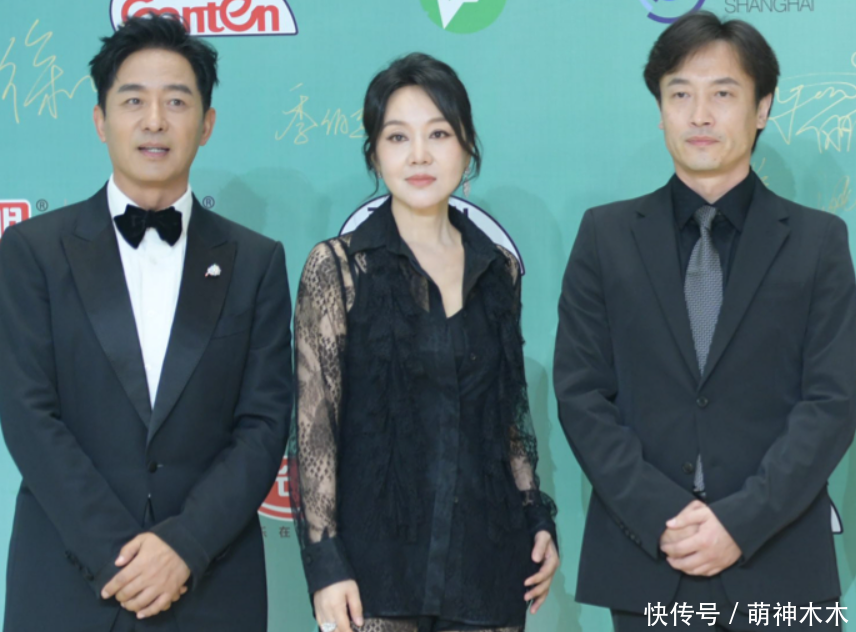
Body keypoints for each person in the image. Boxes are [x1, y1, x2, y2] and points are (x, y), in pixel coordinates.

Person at [554, 11, 856, 632]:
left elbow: (833, 400)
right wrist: (664, 517)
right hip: (650, 559)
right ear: (659, 109)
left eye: (722, 94)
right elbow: (581, 395)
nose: (699, 115)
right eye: (680, 95)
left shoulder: (818, 242)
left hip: (778, 559)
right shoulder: (605, 236)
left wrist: (740, 523)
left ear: (762, 107)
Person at [0, 14, 292, 632]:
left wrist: (184, 546)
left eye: (177, 101)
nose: (155, 120)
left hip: (210, 584)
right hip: (68, 585)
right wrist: (122, 558)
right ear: (100, 120)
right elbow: (28, 415)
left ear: (207, 124)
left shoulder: (256, 261)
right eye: (133, 100)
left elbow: (264, 424)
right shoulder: (32, 252)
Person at [289, 53, 558, 632]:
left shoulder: (499, 270)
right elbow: (315, 431)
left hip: (487, 569)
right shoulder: (339, 269)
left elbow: (505, 416)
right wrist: (325, 562)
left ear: (467, 146)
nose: (418, 155)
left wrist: (537, 517)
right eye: (397, 137)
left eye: (438, 134)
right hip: (377, 575)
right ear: (374, 153)